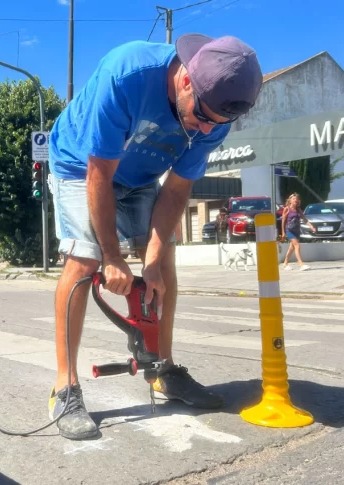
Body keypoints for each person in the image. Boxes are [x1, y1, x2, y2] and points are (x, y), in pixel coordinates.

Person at [46, 33, 263, 440]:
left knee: (164, 261)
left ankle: (162, 369)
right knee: (86, 257)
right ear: (185, 82)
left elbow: (177, 190)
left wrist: (151, 260)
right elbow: (99, 176)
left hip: (140, 172)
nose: (204, 129)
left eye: (215, 125)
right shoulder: (126, 75)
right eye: (200, 117)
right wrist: (113, 255)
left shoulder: (215, 116)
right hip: (81, 164)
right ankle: (64, 387)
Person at [281, 193, 316, 270]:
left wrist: (311, 226)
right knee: (297, 245)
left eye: (296, 199)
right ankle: (301, 264)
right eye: (293, 199)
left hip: (296, 230)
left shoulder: (298, 209)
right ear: (290, 200)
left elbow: (304, 219)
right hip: (289, 230)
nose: (295, 200)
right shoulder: (287, 209)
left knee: (291, 248)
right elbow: (283, 221)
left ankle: (285, 263)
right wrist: (283, 233)